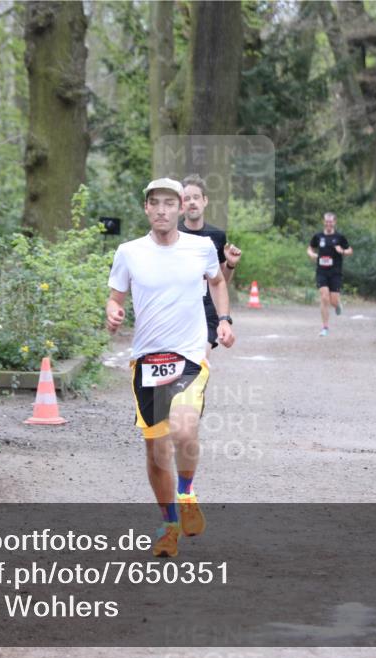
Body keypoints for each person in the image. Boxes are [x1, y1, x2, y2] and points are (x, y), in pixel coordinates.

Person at [106, 177, 236, 558]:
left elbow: (217, 283)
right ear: (146, 208)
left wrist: (224, 319)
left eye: (169, 203)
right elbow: (116, 297)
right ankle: (169, 525)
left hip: (189, 355)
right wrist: (113, 312)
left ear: (181, 207)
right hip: (147, 359)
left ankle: (187, 491)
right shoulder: (129, 252)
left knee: (184, 428)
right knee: (156, 451)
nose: (162, 210)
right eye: (154, 203)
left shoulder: (200, 248)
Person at [178, 174, 242, 356]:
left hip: (207, 309)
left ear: (205, 200)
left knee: (200, 359)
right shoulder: (172, 234)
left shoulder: (217, 235)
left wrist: (230, 265)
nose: (192, 202)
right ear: (181, 204)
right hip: (179, 307)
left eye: (196, 197)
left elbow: (221, 281)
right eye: (187, 198)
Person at [307, 212, 353, 336]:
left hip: (335, 272)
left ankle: (337, 304)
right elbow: (310, 248)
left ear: (334, 222)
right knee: (324, 297)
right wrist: (311, 254)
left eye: (331, 222)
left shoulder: (339, 237)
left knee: (333, 301)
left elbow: (350, 250)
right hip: (321, 271)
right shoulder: (318, 236)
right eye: (326, 221)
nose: (328, 224)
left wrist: (342, 251)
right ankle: (325, 327)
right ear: (324, 222)